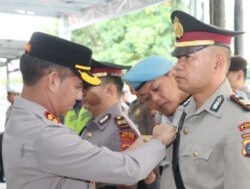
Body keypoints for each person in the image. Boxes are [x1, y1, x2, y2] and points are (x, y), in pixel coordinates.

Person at [2, 32, 176, 189]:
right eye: (78, 86)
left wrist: (131, 153)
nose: (79, 96)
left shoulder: (22, 119)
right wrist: (159, 141)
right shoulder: (44, 133)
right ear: (53, 81)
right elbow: (129, 170)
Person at [164, 10, 250, 189]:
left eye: (188, 57)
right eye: (178, 58)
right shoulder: (183, 110)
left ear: (218, 63)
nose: (177, 67)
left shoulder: (240, 120)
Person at [124, 56, 190, 189]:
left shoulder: (201, 109)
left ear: (172, 74)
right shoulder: (161, 119)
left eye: (156, 89)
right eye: (146, 98)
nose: (155, 99)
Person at [82, 60, 141, 189]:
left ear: (109, 90)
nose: (82, 91)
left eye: (87, 86)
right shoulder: (94, 123)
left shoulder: (121, 130)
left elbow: (126, 182)